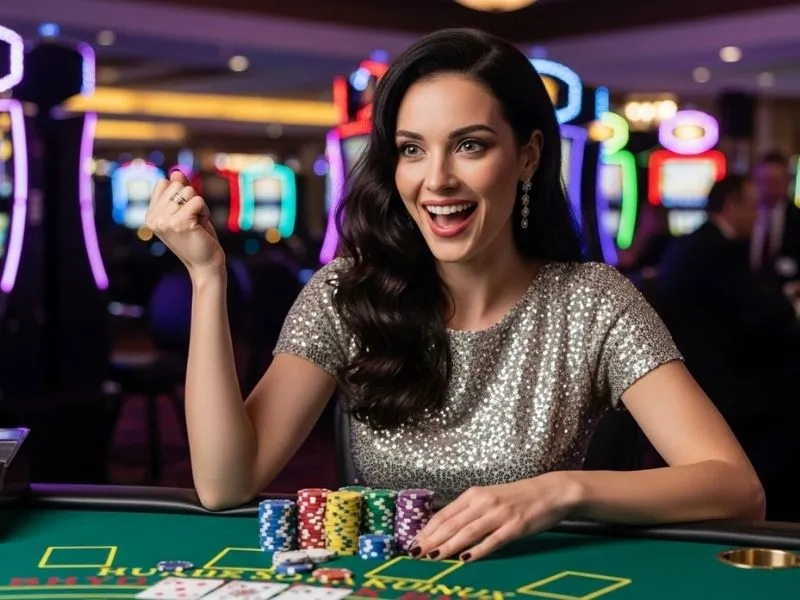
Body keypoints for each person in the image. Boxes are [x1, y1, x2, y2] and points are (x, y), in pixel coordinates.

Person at [145, 28, 764, 562]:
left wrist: (562, 490)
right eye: (412, 149)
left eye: (469, 145)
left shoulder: (592, 302)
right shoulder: (347, 293)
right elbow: (225, 485)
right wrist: (208, 277)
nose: (436, 179)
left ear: (527, 157)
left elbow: (737, 489)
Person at [657, 174, 800, 522]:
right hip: (719, 384)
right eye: (752, 206)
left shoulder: (695, 243)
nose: (758, 215)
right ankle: (776, 522)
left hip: (697, 370)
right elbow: (758, 316)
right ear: (731, 206)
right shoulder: (717, 251)